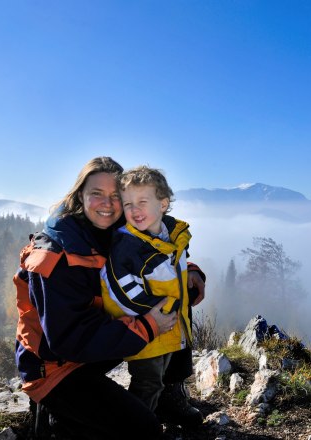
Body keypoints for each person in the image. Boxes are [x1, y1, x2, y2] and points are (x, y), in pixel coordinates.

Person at [13, 157, 201, 439]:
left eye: (116, 196)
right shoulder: (53, 256)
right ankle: (57, 417)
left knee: (171, 298)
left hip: (96, 345)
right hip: (56, 366)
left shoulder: (118, 227)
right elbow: (67, 340)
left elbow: (159, 241)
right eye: (96, 194)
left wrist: (191, 272)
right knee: (143, 430)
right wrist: (147, 327)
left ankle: (168, 395)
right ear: (80, 196)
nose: (108, 204)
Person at [100, 165, 205, 425]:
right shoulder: (127, 245)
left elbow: (175, 265)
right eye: (128, 204)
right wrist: (151, 314)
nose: (134, 210)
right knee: (147, 383)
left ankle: (156, 414)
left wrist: (192, 273)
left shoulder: (170, 236)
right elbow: (122, 287)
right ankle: (137, 428)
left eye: (142, 202)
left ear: (163, 204)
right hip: (145, 327)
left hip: (166, 326)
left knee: (157, 381)